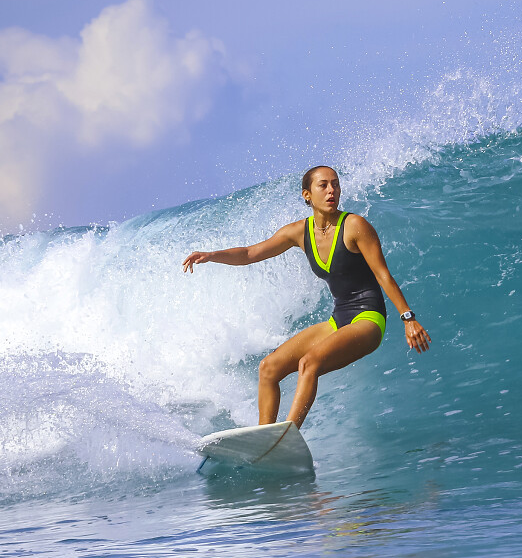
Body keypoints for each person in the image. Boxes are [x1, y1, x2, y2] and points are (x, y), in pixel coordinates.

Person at [182, 166, 431, 428]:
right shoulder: (298, 232)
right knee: (268, 368)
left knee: (309, 362)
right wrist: (211, 255)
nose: (332, 190)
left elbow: (383, 275)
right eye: (323, 185)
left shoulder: (355, 226)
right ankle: (265, 437)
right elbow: (249, 253)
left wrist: (408, 318)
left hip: (368, 318)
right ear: (307, 194)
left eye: (335, 184)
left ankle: (287, 435)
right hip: (339, 319)